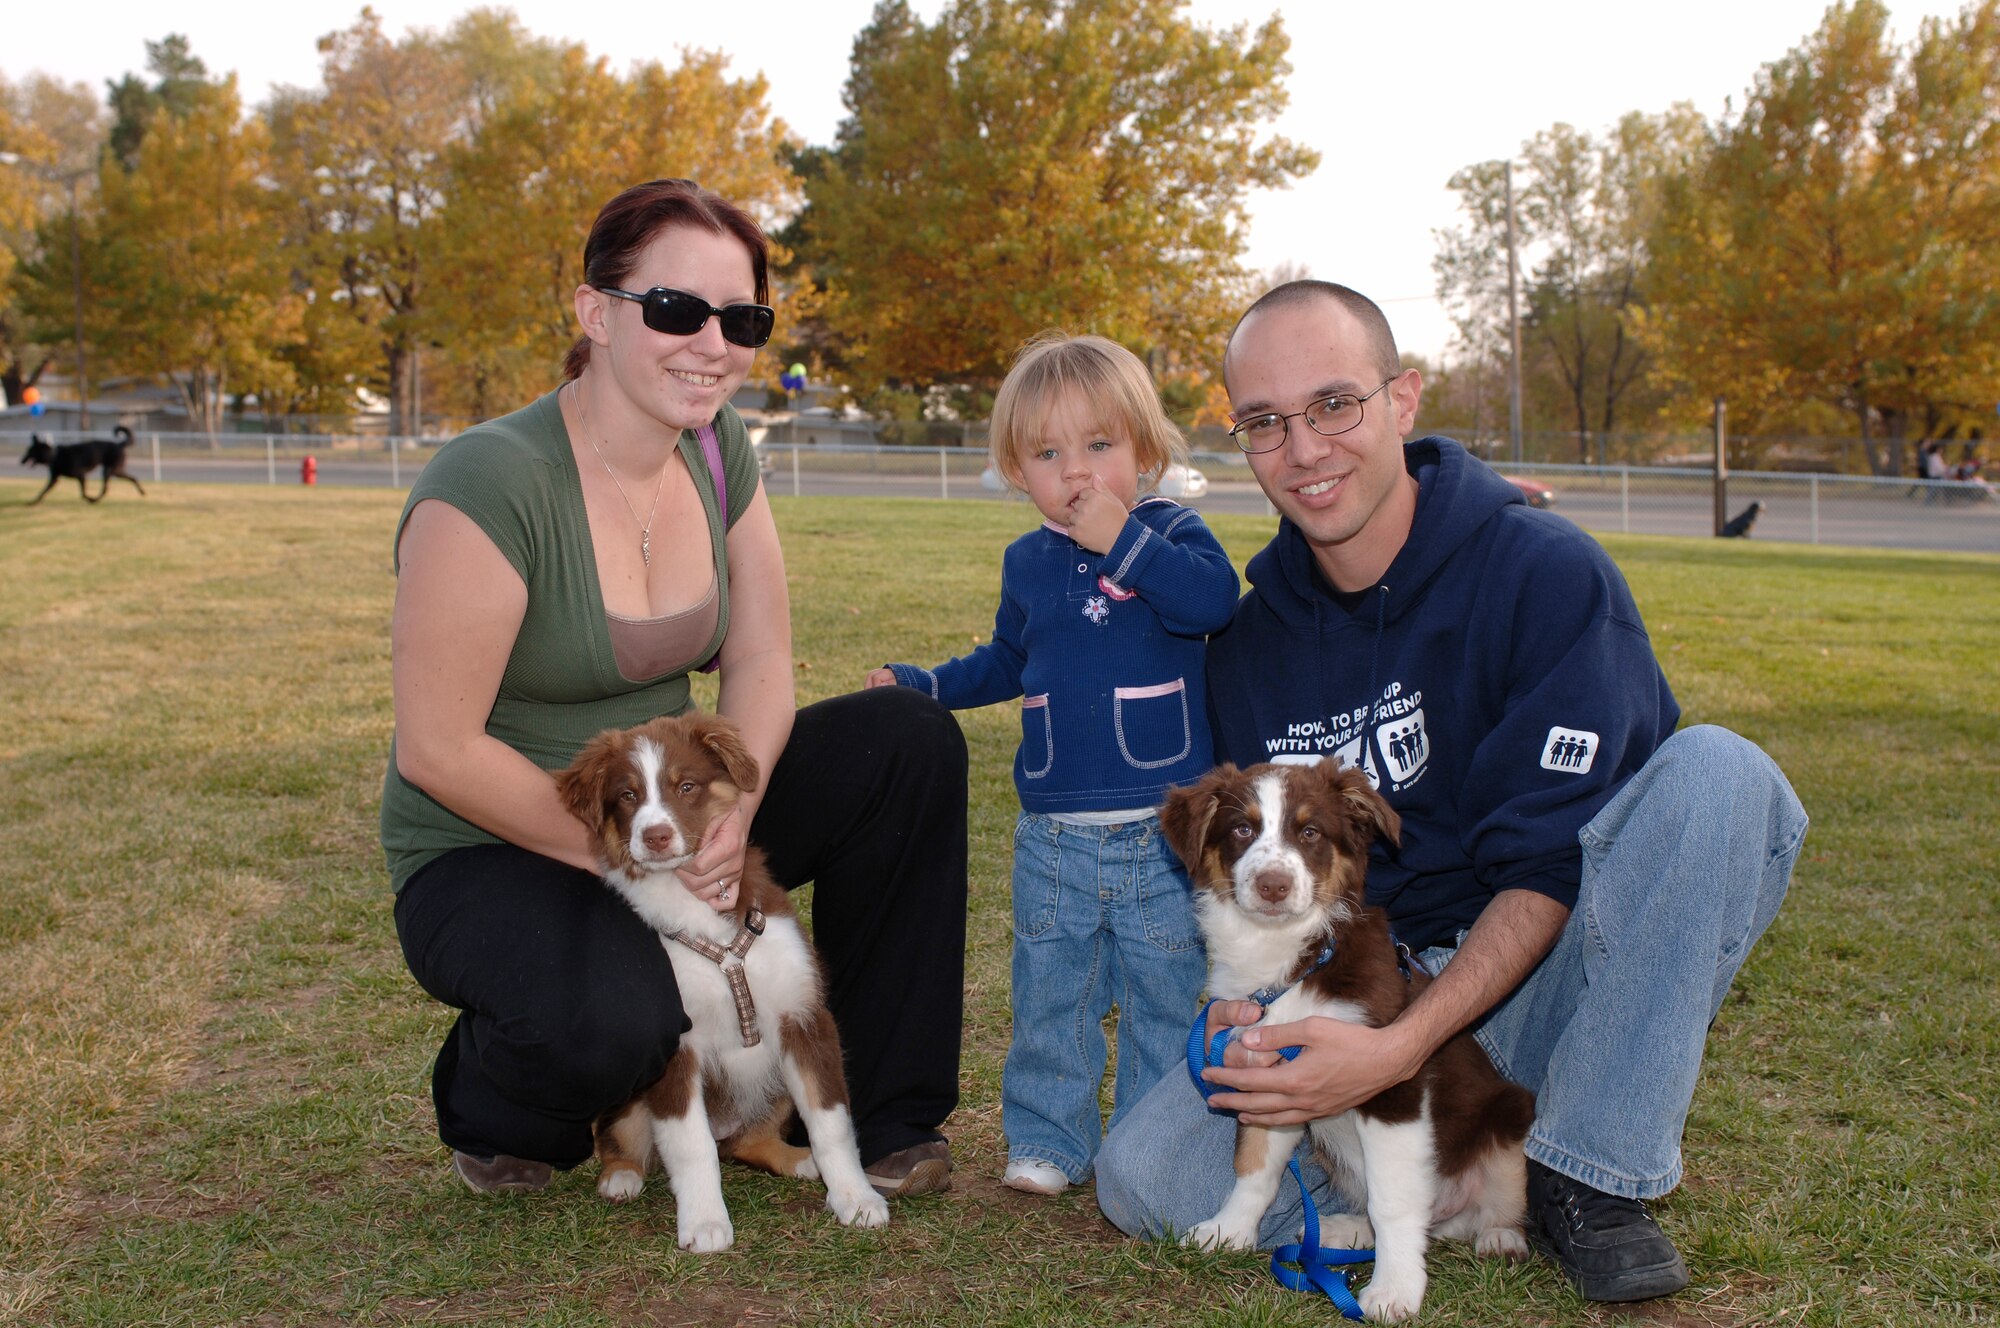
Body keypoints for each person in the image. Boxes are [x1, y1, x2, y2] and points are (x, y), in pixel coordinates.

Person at [1094, 281, 1807, 1304]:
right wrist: (1285, 1034)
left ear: (1401, 399)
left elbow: (1546, 864)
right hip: (1352, 975)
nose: (1303, 449)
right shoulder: (1248, 644)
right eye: (1264, 422)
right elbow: (1255, 872)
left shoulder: (1544, 571)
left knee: (1718, 771)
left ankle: (1589, 1168)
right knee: (1147, 1181)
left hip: (1536, 976)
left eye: (1333, 403)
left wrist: (1395, 1046)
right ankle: (1400, 1177)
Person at [383, 179, 967, 1200]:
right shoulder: (489, 481)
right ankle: (492, 1088)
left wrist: (730, 810)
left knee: (904, 743)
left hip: (673, 806)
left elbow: (759, 660)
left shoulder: (717, 445)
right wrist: (640, 863)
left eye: (739, 319)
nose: (711, 342)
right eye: (674, 309)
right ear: (595, 312)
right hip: (497, 839)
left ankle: (883, 1114)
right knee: (618, 1021)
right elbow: (436, 745)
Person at [867, 333, 1240, 1196]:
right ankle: (1049, 1140)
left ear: (1145, 452)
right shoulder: (1027, 562)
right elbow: (1006, 660)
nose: (1077, 473)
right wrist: (924, 685)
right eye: (1048, 453)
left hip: (1162, 833)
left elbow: (1211, 604)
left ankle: (1146, 1146)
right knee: (1051, 994)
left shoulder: (1172, 533)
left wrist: (1126, 544)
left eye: (1100, 447)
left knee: (1162, 990)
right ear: (1016, 470)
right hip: (1053, 834)